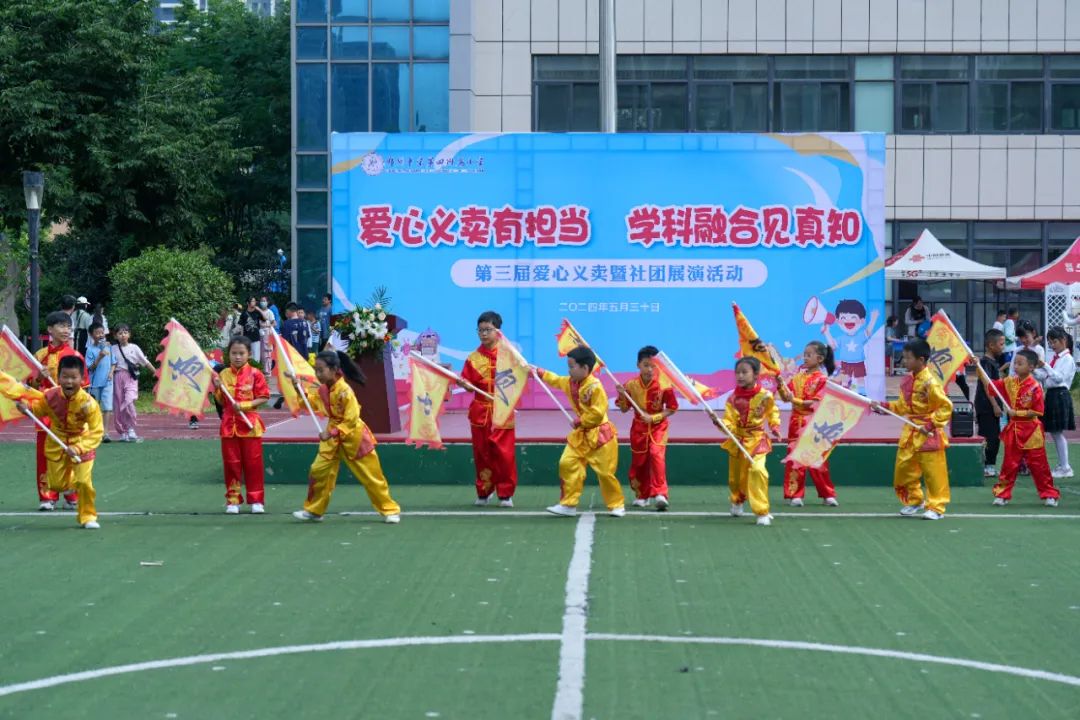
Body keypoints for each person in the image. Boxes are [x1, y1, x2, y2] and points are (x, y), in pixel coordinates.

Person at [288, 351, 401, 524]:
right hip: (332, 440)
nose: (317, 374)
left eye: (321, 370)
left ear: (334, 370)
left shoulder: (345, 391)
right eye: (315, 370)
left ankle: (389, 510)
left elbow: (352, 419)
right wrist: (298, 388)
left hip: (354, 438)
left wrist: (331, 433)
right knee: (318, 471)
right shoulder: (323, 390)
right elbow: (309, 402)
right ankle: (314, 510)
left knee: (371, 476)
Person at [10, 356, 103, 529]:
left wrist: (78, 447)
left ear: (82, 379)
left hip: (81, 443)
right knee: (56, 485)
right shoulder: (50, 396)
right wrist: (27, 408)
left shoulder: (89, 404)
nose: (69, 381)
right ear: (58, 377)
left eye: (74, 377)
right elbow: (39, 410)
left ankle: (88, 516)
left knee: (84, 482)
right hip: (56, 442)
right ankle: (74, 483)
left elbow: (97, 432)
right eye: (65, 377)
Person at [535, 346, 626, 518]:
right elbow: (555, 379)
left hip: (600, 435)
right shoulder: (570, 383)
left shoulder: (595, 387)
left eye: (571, 366)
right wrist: (539, 372)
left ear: (585, 368)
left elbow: (598, 412)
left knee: (605, 473)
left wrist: (580, 421)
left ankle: (616, 504)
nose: (569, 371)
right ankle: (568, 504)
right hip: (580, 436)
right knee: (567, 464)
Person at [871, 339, 953, 520]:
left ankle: (937, 507)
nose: (904, 361)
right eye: (904, 357)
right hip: (911, 431)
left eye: (908, 358)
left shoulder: (931, 382)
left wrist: (930, 425)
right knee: (904, 469)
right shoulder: (907, 381)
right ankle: (914, 500)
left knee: (934, 473)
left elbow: (945, 406)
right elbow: (902, 407)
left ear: (921, 360)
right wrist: (883, 407)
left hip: (928, 432)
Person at [985, 349, 1061, 507]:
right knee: (1009, 464)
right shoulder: (1009, 382)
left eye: (1020, 363)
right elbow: (991, 386)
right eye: (1015, 363)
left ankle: (1049, 494)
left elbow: (1038, 411)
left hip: (1032, 430)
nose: (1016, 366)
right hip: (1014, 430)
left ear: (1031, 367)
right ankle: (1002, 494)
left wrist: (1016, 412)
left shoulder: (1035, 387)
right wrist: (978, 368)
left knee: (1039, 465)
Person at [459, 311, 518, 507]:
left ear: (498, 331)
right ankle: (484, 491)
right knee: (482, 453)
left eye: (488, 330)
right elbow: (466, 379)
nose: (483, 334)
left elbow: (520, 379)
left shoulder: (510, 355)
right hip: (480, 412)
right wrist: (465, 384)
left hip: (502, 411)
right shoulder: (473, 358)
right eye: (480, 330)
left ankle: (506, 493)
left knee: (504, 453)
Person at [714, 357, 781, 526]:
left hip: (757, 440)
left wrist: (775, 426)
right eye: (737, 373)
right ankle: (737, 500)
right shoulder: (733, 399)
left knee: (758, 471)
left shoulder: (765, 396)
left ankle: (762, 511)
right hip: (738, 440)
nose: (740, 376)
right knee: (735, 480)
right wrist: (722, 424)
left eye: (745, 372)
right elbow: (729, 421)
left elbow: (773, 412)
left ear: (756, 375)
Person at [32, 311, 87, 510]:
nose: (66, 330)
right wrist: (39, 377)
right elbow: (30, 385)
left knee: (71, 455)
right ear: (50, 330)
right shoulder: (39, 356)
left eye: (68, 327)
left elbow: (85, 385)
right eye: (62, 326)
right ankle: (47, 497)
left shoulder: (74, 356)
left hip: (70, 416)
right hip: (46, 415)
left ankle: (71, 496)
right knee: (45, 456)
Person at [614, 345, 678, 511]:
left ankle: (660, 494)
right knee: (639, 463)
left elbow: (671, 408)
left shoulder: (664, 384)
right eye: (646, 365)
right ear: (638, 365)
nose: (650, 369)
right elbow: (623, 409)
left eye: (653, 365)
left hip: (659, 427)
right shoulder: (631, 385)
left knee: (656, 454)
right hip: (638, 429)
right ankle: (642, 495)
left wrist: (654, 417)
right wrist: (621, 394)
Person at [777, 341, 839, 507]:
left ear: (819, 358)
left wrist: (793, 399)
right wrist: (780, 385)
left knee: (817, 460)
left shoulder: (823, 380)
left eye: (808, 355)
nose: (805, 357)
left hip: (814, 424)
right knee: (795, 459)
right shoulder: (797, 377)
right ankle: (795, 495)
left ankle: (827, 494)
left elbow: (813, 403)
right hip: (795, 424)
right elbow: (784, 396)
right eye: (804, 354)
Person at [213, 336, 269, 514]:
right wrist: (217, 389)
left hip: (250, 425)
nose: (237, 357)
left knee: (253, 464)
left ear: (249, 355)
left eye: (241, 353)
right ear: (228, 355)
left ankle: (256, 500)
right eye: (234, 353)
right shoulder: (223, 375)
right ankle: (233, 500)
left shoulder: (255, 374)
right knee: (231, 464)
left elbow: (264, 396)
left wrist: (245, 405)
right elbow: (221, 402)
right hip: (229, 426)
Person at [1038, 327, 1076, 479]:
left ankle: (1065, 467)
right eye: (1050, 342)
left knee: (1057, 433)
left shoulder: (1067, 359)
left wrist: (1045, 366)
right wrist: (1033, 369)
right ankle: (1063, 465)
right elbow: (1047, 377)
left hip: (1060, 394)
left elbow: (1058, 378)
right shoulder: (1056, 358)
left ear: (1063, 341)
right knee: (1055, 433)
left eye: (1054, 342)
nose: (1052, 345)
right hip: (1053, 394)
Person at [111, 324, 155, 443]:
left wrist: (155, 372)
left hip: (131, 377)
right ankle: (123, 431)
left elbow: (144, 362)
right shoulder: (113, 348)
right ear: (115, 336)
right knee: (118, 404)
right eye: (120, 333)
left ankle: (131, 428)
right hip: (117, 376)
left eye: (125, 332)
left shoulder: (134, 348)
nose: (123, 335)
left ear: (129, 334)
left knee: (129, 401)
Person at [974, 329, 1006, 478]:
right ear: (991, 345)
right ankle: (987, 465)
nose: (1003, 347)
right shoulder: (984, 363)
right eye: (1001, 344)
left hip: (991, 405)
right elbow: (988, 386)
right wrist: (995, 405)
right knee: (990, 436)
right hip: (986, 405)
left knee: (994, 436)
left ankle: (990, 464)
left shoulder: (993, 363)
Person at [84, 322, 114, 443]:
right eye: (97, 333)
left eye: (102, 332)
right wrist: (100, 356)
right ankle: (94, 431)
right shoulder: (90, 350)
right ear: (91, 335)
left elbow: (114, 362)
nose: (101, 335)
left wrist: (111, 372)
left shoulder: (109, 346)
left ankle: (105, 433)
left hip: (107, 382)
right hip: (94, 383)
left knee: (107, 407)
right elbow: (90, 367)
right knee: (94, 408)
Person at [238, 297, 265, 364]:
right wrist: (241, 338)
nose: (254, 302)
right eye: (253, 301)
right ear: (248, 303)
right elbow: (242, 327)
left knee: (256, 357)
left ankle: (255, 372)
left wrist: (259, 309)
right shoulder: (243, 313)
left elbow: (265, 318)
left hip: (256, 338)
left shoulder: (257, 312)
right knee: (247, 357)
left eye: (255, 301)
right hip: (246, 338)